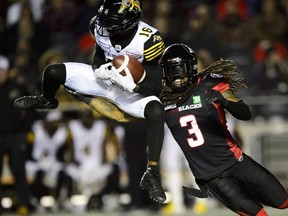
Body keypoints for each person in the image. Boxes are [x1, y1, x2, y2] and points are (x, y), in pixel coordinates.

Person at [13, 0, 166, 203]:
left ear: (130, 20)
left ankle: (152, 173)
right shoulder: (99, 25)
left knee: (156, 111)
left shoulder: (149, 39)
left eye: (112, 20)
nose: (106, 24)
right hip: (104, 80)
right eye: (106, 18)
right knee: (53, 72)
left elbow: (158, 83)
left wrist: (136, 86)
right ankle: (47, 99)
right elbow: (100, 55)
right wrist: (99, 69)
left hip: (130, 90)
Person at [158, 43, 288, 215]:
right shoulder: (162, 101)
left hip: (237, 162)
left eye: (180, 69)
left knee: (283, 201)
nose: (176, 77)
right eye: (171, 71)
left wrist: (225, 102)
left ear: (192, 67)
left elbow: (245, 113)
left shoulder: (211, 83)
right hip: (212, 177)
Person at [0, 55, 32, 215]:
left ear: (7, 72)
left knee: (19, 169)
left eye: (2, 71)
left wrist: (25, 130)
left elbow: (31, 108)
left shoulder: (17, 89)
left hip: (15, 135)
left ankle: (24, 204)